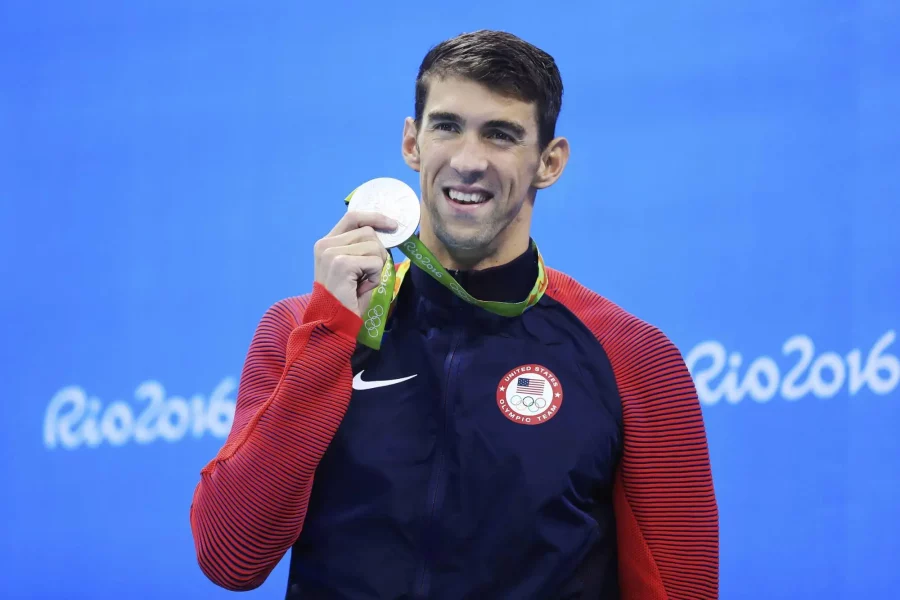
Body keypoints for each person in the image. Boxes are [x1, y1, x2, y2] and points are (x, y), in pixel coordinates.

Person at [189, 29, 719, 599]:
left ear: (549, 162)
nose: (469, 162)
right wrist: (328, 334)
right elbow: (230, 557)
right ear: (412, 143)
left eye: (501, 134)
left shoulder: (630, 355)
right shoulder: (305, 329)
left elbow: (682, 588)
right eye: (447, 126)